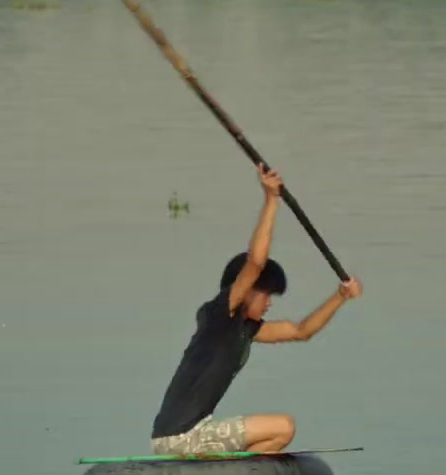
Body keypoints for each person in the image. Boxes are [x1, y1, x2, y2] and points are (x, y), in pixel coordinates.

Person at [149, 164, 363, 455]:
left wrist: (340, 297)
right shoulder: (219, 314)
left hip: (188, 433)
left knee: (276, 437)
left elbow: (301, 331)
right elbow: (256, 262)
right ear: (245, 290)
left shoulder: (246, 329)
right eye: (266, 295)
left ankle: (227, 473)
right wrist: (271, 200)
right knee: (284, 427)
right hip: (181, 436)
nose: (269, 303)